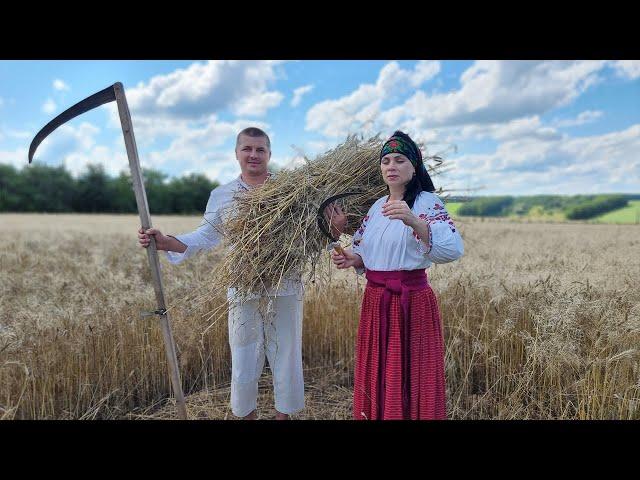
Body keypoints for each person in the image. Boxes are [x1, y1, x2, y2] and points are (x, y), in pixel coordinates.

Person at [138, 127, 346, 420]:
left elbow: (311, 234)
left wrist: (335, 232)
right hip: (242, 286)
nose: (253, 155)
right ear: (237, 153)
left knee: (286, 355)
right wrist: (166, 242)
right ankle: (246, 416)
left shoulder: (293, 190)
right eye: (247, 148)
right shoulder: (222, 195)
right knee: (244, 355)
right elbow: (206, 236)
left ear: (270, 154)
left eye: (260, 149)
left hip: (285, 285)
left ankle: (282, 416)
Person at [331, 130, 464, 420]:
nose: (391, 166)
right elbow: (365, 253)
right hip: (376, 300)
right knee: (378, 370)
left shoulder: (428, 203)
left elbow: (452, 249)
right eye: (386, 161)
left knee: (412, 374)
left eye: (400, 160)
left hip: (411, 302)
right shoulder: (377, 207)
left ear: (414, 167)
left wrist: (413, 221)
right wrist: (351, 257)